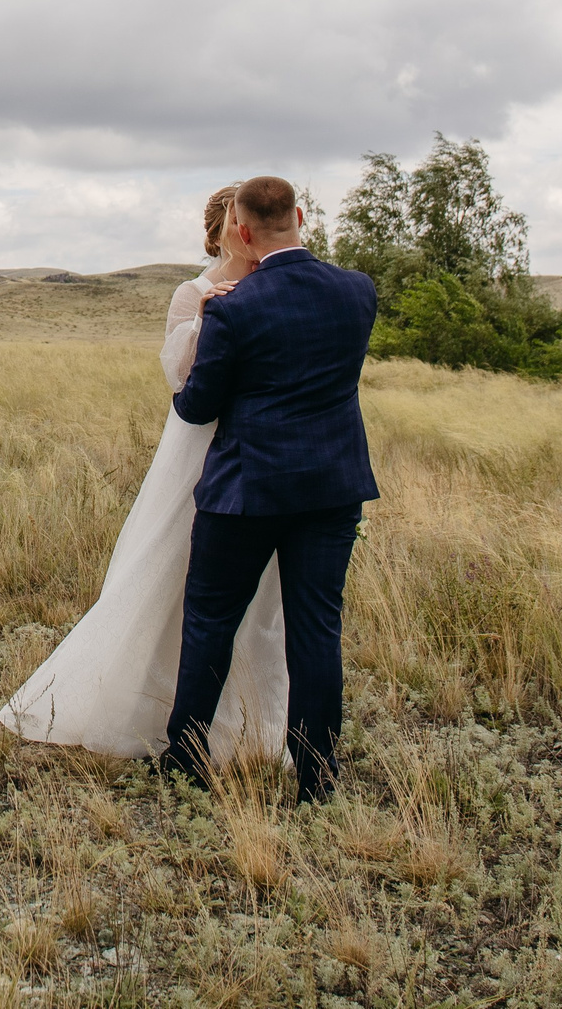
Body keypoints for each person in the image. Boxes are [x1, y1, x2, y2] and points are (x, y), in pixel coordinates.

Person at [0, 185, 291, 766]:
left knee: (262, 597)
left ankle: (251, 725)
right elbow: (181, 380)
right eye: (234, 216)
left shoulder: (280, 284)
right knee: (173, 570)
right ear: (223, 229)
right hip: (201, 448)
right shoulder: (193, 292)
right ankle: (155, 709)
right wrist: (208, 320)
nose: (243, 224)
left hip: (266, 456)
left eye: (246, 214)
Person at [163, 174, 378, 802]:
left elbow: (196, 408)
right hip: (332, 490)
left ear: (245, 231)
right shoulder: (357, 291)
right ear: (301, 216)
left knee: (209, 621)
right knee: (316, 631)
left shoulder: (233, 306)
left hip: (245, 493)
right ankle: (317, 778)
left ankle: (186, 759)